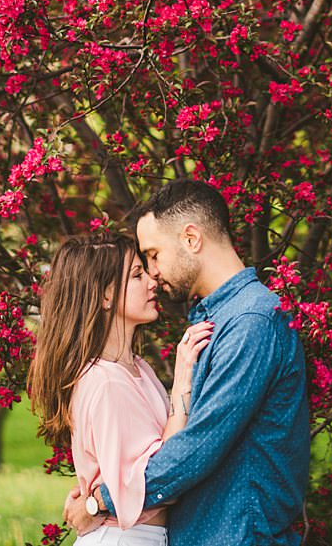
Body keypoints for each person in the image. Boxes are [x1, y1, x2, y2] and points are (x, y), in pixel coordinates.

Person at [63, 180, 311, 546]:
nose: (153, 272)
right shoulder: (220, 320)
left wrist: (101, 502)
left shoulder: (250, 323)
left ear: (191, 239)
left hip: (238, 535)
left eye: (154, 254)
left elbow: (198, 447)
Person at [28, 232, 215, 545]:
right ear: (104, 296)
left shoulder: (136, 369)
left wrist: (94, 502)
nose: (152, 281)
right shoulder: (106, 382)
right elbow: (160, 474)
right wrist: (183, 379)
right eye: (137, 275)